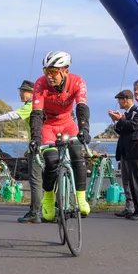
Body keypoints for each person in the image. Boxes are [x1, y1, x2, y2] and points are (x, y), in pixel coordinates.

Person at [29, 51, 92, 221]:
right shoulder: (40, 84)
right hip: (48, 125)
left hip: (67, 124)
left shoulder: (77, 81)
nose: (49, 76)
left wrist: (84, 129)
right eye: (46, 71)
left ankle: (80, 198)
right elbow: (36, 114)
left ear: (65, 70)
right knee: (51, 162)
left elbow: (81, 108)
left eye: (53, 72)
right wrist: (35, 138)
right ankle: (48, 199)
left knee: (78, 155)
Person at [0, 80, 40, 223]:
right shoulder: (41, 104)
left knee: (35, 181)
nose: (21, 94)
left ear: (32, 93)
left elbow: (11, 116)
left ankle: (35, 212)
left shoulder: (31, 105)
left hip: (39, 146)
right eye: (20, 91)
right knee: (48, 180)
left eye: (24, 91)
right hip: (48, 144)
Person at [110, 79, 138, 221]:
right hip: (133, 150)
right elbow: (127, 127)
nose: (136, 92)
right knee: (134, 182)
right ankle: (137, 209)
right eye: (135, 89)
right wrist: (120, 120)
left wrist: (120, 119)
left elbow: (134, 125)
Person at [109, 89, 135, 218]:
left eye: (119, 99)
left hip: (132, 152)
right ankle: (129, 206)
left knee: (132, 180)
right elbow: (121, 131)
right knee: (125, 180)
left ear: (125, 100)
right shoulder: (127, 114)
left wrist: (120, 119)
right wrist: (117, 120)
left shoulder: (135, 112)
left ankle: (134, 207)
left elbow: (131, 129)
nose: (118, 102)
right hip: (125, 151)